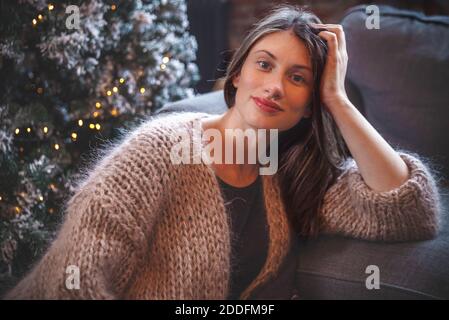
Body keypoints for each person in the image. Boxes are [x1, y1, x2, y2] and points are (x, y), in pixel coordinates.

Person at [4, 4, 441, 300]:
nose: (273, 86)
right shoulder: (159, 151)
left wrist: (338, 100)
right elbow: (69, 283)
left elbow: (407, 210)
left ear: (310, 104)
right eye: (264, 64)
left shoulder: (293, 173)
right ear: (236, 76)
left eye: (297, 78)